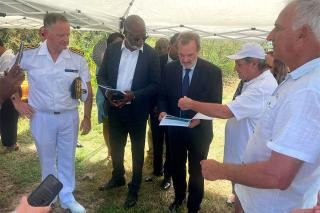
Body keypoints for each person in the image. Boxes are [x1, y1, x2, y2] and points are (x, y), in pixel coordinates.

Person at [199, 0, 320, 212]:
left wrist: (220, 170)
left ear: (302, 34)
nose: (270, 36)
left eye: (278, 28)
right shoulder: (300, 80)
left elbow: (277, 175)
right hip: (257, 198)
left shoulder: (308, 90)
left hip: (268, 206)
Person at [179, 42, 278, 206]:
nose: (235, 69)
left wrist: (191, 104)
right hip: (242, 152)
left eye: (239, 64)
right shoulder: (257, 82)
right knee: (240, 195)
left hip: (246, 157)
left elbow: (225, 111)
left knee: (245, 200)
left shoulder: (261, 88)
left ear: (253, 63)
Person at [13, 13, 93, 213]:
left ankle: (67, 198)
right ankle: (48, 199)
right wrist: (17, 103)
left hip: (69, 116)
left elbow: (88, 89)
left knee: (67, 157)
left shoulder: (77, 57)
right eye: (60, 35)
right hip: (42, 116)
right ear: (45, 33)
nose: (65, 40)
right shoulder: (29, 55)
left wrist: (87, 116)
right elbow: (10, 79)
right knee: (47, 159)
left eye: (67, 35)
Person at [97, 15, 160, 209]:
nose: (140, 40)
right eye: (135, 37)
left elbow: (156, 84)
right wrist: (107, 93)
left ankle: (134, 188)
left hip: (137, 110)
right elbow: (102, 75)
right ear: (125, 33)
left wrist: (134, 95)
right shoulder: (113, 50)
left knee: (137, 150)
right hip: (115, 108)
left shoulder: (150, 54)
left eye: (144, 36)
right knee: (116, 146)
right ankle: (118, 177)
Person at [158, 31, 222, 213]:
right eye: (181, 55)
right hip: (175, 128)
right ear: (176, 50)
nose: (185, 60)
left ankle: (194, 205)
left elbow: (215, 103)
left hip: (199, 132)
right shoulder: (170, 69)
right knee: (177, 165)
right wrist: (163, 110)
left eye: (190, 55)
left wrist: (198, 118)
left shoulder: (212, 72)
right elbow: (162, 95)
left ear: (199, 51)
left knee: (196, 169)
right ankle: (179, 198)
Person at [145, 32, 180, 190]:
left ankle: (168, 176)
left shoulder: (185, 63)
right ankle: (157, 170)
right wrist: (153, 106)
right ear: (171, 45)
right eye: (177, 46)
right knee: (157, 142)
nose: (180, 50)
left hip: (175, 112)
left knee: (172, 144)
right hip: (156, 111)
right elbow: (152, 84)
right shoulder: (157, 61)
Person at [94, 32, 124, 158]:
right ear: (109, 44)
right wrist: (108, 95)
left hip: (121, 96)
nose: (118, 46)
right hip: (104, 95)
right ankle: (110, 150)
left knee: (119, 124)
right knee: (107, 122)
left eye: (121, 43)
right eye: (115, 43)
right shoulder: (103, 59)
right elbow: (99, 79)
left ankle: (117, 150)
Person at [0, 38, 20, 153]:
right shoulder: (3, 57)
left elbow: (6, 77)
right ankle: (10, 143)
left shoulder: (7, 58)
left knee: (9, 117)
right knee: (5, 118)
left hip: (10, 91)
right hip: (5, 91)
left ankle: (11, 145)